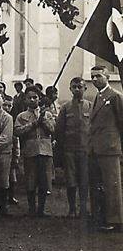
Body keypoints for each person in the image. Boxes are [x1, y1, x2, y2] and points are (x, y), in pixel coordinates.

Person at [87, 65, 123, 233]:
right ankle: (101, 217)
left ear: (107, 77)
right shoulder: (98, 96)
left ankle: (115, 220)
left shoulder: (115, 97)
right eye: (92, 76)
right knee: (98, 184)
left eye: (98, 76)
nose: (95, 79)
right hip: (96, 148)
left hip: (110, 148)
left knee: (112, 185)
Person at [14, 85, 55, 217]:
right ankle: (32, 209)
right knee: (31, 181)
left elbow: (53, 130)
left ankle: (41, 210)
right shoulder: (21, 116)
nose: (32, 100)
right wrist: (32, 124)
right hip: (30, 151)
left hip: (45, 151)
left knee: (44, 181)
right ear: (25, 100)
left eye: (35, 97)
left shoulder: (47, 114)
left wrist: (43, 121)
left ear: (39, 98)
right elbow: (17, 131)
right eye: (29, 98)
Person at [55, 77, 91, 218]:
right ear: (70, 89)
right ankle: (71, 209)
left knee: (84, 180)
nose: (77, 89)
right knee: (70, 181)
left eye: (80, 87)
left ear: (85, 88)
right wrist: (63, 148)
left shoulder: (91, 106)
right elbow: (59, 129)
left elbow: (94, 128)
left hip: (85, 150)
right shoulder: (65, 107)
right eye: (74, 87)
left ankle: (83, 209)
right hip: (69, 150)